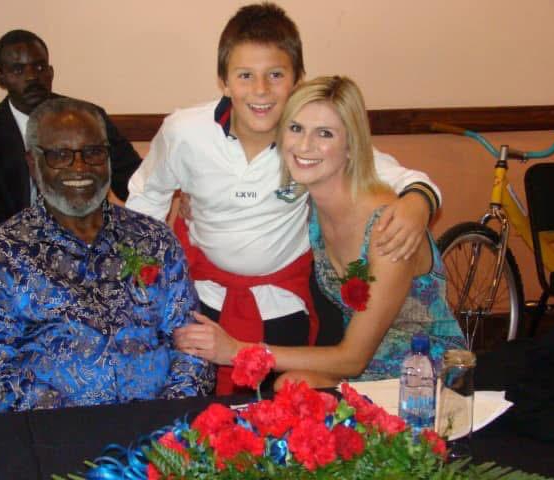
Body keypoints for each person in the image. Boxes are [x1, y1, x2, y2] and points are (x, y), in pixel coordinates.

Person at [126, 3, 440, 394]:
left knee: (280, 399)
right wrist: (143, 278)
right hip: (202, 288)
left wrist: (419, 202)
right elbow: (147, 195)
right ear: (224, 81)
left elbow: (399, 175)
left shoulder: (308, 138)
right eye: (245, 75)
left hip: (283, 299)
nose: (261, 90)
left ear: (296, 80)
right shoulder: (185, 132)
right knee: (185, 395)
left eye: (275, 75)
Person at [175, 76, 466, 387]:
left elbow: (353, 359)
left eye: (324, 133)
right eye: (296, 128)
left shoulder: (388, 228)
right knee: (291, 386)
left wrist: (237, 351)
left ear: (352, 146)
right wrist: (199, 202)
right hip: (359, 362)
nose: (304, 145)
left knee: (291, 386)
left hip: (422, 371)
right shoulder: (306, 202)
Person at [0, 98, 213, 413]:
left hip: (159, 429)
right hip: (54, 432)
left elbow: (193, 346)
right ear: (33, 163)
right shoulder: (0, 254)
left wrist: (165, 420)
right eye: (60, 155)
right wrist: (80, 426)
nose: (79, 167)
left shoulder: (154, 240)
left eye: (93, 152)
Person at [0, 29, 141, 259]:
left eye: (40, 67)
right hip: (13, 255)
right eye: (18, 70)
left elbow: (136, 184)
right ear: (1, 81)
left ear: (51, 73)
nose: (32, 77)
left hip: (90, 247)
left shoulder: (88, 120)